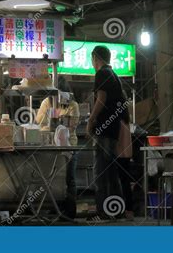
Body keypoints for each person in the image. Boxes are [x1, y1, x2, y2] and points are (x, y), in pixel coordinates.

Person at [87, 45, 125, 217]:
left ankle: (102, 212)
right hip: (113, 129)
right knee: (111, 172)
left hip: (103, 130)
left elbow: (101, 99)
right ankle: (116, 211)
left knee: (101, 172)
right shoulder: (115, 75)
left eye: (92, 59)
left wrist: (91, 119)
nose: (92, 63)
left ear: (96, 58)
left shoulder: (102, 73)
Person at [35, 78, 80, 217]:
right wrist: (52, 115)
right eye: (54, 95)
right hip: (50, 148)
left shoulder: (72, 105)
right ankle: (54, 209)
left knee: (69, 179)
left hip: (69, 146)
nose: (57, 98)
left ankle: (70, 211)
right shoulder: (46, 103)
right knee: (53, 179)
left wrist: (56, 120)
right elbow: (39, 122)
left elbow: (72, 125)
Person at [115, 105, 134, 220]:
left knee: (120, 184)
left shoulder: (117, 122)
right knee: (126, 183)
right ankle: (129, 210)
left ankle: (122, 210)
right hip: (127, 155)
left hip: (119, 155)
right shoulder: (126, 120)